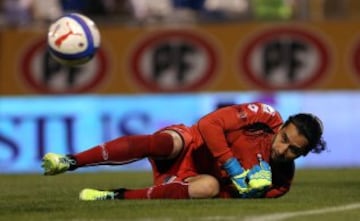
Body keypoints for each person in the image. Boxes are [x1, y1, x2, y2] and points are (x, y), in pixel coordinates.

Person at [41, 102, 326, 200]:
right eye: (285, 138)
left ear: (302, 156)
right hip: (191, 144)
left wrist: (246, 191)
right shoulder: (264, 116)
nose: (282, 149)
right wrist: (234, 168)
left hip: (190, 180)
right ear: (283, 124)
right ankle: (70, 160)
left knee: (209, 188)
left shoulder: (281, 183)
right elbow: (208, 123)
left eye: (292, 151)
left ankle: (115, 196)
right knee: (168, 142)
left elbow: (225, 199)